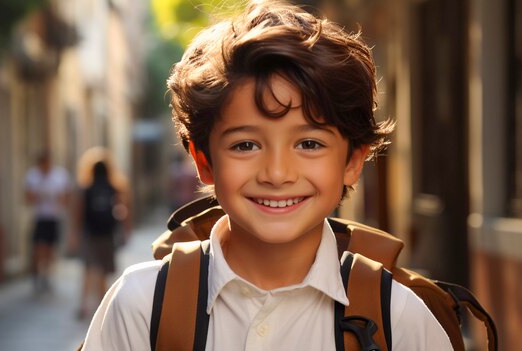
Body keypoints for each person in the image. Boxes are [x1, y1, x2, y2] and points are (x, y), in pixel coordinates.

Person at [82, 1, 453, 349]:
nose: (277, 174)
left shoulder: (399, 318)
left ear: (353, 161)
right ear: (204, 161)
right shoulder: (141, 307)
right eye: (245, 145)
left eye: (309, 144)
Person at [75, 159, 130, 320]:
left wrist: (76, 233)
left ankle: (83, 305)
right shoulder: (114, 188)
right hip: (107, 235)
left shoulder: (87, 189)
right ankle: (102, 307)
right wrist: (125, 229)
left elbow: (80, 212)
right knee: (105, 271)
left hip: (90, 234)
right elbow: (122, 210)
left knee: (89, 269)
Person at [24, 150, 71, 293]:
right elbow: (28, 198)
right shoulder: (33, 176)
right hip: (39, 218)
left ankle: (47, 276)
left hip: (54, 218)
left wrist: (54, 197)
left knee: (50, 249)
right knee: (38, 248)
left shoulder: (59, 175)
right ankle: (37, 275)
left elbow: (65, 198)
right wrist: (40, 195)